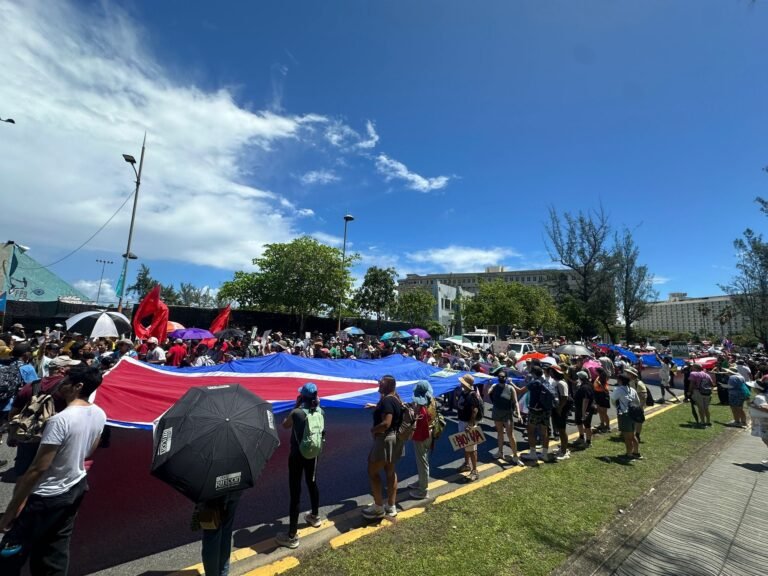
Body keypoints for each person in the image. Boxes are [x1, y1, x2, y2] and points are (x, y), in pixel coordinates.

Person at [0, 365, 106, 575]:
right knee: (54, 548)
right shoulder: (99, 413)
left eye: (66, 382)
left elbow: (38, 468)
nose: (62, 385)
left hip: (47, 495)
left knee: (11, 552)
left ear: (78, 386)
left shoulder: (60, 420)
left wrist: (11, 511)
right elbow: (88, 451)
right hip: (75, 486)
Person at [276, 383, 324, 549]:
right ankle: (315, 516)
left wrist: (297, 407)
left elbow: (285, 425)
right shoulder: (320, 412)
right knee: (312, 482)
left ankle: (291, 535)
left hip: (297, 455)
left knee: (295, 492)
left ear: (301, 397)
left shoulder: (296, 413)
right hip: (313, 455)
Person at [362, 375, 403, 519]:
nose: (379, 383)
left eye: (382, 382)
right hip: (395, 439)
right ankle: (391, 506)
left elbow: (386, 423)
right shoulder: (395, 399)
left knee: (372, 471)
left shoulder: (387, 401)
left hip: (385, 440)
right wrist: (376, 406)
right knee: (390, 472)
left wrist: (373, 430)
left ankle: (378, 507)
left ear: (389, 386)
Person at [488, 370, 523, 465]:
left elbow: (515, 401)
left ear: (506, 378)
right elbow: (488, 393)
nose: (501, 378)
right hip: (497, 412)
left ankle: (515, 456)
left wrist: (519, 414)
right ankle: (500, 452)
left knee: (510, 435)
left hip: (507, 414)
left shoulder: (511, 388)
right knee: (499, 433)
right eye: (499, 376)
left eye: (503, 376)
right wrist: (490, 384)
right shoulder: (494, 386)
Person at [409, 380, 434, 499]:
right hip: (429, 432)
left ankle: (423, 490)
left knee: (422, 462)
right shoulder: (431, 402)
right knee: (424, 460)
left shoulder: (421, 408)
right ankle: (421, 482)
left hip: (423, 435)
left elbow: (418, 424)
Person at [523, 365, 552, 464]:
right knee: (545, 432)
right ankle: (544, 454)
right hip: (545, 410)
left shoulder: (534, 383)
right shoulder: (545, 381)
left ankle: (533, 453)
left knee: (530, 430)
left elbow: (520, 390)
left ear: (534, 373)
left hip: (535, 410)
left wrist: (510, 383)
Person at [610, 371, 642, 461]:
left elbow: (612, 400)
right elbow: (638, 402)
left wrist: (618, 407)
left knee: (627, 437)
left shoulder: (618, 390)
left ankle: (629, 454)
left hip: (624, 415)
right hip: (633, 414)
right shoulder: (632, 390)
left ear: (620, 381)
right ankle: (636, 452)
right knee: (632, 435)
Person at [455, 374, 481, 481]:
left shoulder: (472, 395)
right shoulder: (464, 393)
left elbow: (475, 411)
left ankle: (475, 471)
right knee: (466, 446)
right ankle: (467, 464)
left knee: (472, 449)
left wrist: (470, 425)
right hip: (463, 422)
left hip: (468, 424)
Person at [548, 365, 571, 461]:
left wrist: (560, 408)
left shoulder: (561, 383)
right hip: (556, 408)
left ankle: (564, 451)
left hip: (561, 409)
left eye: (551, 372)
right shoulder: (555, 382)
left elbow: (565, 397)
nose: (550, 373)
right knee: (558, 428)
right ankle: (562, 448)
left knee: (562, 429)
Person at [748, 378, 768, 467]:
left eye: (753, 387)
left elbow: (766, 409)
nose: (752, 389)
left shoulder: (759, 397)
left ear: (756, 389)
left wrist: (753, 406)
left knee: (766, 439)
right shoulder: (764, 395)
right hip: (764, 421)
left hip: (765, 422)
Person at [573, 371, 595, 449]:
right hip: (579, 408)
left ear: (581, 378)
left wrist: (583, 412)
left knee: (587, 425)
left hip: (585, 409)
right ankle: (581, 437)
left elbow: (586, 400)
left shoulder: (586, 387)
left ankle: (588, 442)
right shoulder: (583, 385)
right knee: (579, 422)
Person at [593, 367, 612, 433]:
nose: (595, 372)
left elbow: (606, 391)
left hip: (603, 396)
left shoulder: (603, 379)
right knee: (600, 411)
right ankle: (602, 424)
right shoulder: (599, 377)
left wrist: (600, 384)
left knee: (604, 413)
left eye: (596, 371)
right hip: (598, 395)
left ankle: (608, 426)